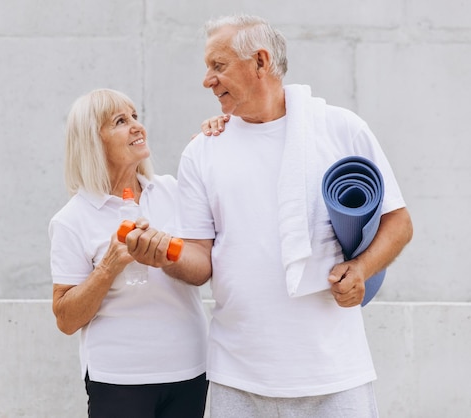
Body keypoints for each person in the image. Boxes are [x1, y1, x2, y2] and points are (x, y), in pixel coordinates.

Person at [124, 14, 413, 418]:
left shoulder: (341, 128)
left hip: (334, 372)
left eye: (218, 66)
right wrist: (164, 254)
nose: (207, 80)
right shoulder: (204, 150)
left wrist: (362, 269)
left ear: (260, 62)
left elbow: (397, 222)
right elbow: (199, 259)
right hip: (239, 376)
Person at [48, 88, 208, 418]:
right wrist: (108, 267)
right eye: (120, 121)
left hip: (190, 370)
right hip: (118, 379)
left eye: (135, 116)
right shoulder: (71, 219)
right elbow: (66, 318)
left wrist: (167, 255)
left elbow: (204, 269)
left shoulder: (172, 191)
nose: (137, 126)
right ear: (94, 141)